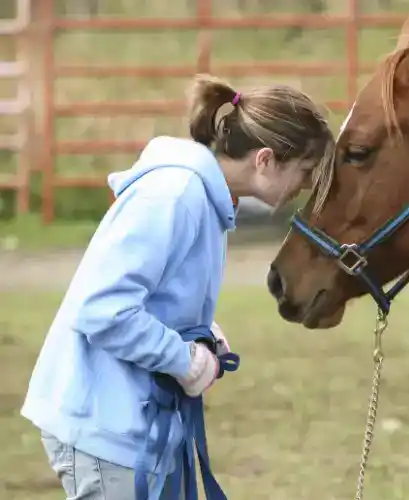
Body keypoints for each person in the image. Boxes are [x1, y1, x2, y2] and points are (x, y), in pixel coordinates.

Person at [20, 74, 335, 500]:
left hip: (142, 424)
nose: (305, 187)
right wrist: (183, 360)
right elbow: (102, 308)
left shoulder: (211, 201)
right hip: (104, 428)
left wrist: (203, 333)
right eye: (305, 172)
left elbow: (157, 292)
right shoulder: (174, 195)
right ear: (265, 160)